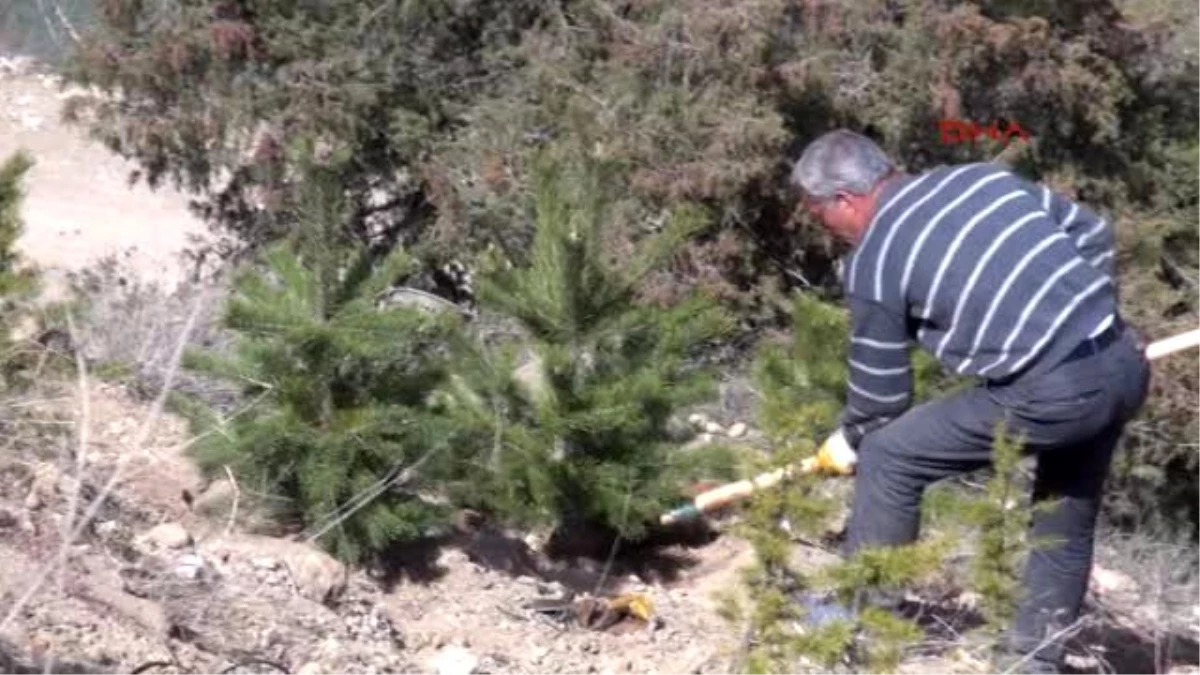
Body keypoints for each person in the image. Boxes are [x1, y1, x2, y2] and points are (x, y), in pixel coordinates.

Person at [790, 129, 1151, 672]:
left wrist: (850, 437)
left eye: (820, 216)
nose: (828, 231)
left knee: (889, 456)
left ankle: (858, 620)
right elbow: (1093, 233)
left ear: (844, 200)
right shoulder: (979, 179)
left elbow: (882, 396)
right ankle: (1034, 660)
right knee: (1064, 514)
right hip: (1123, 362)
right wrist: (1094, 317)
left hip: (1054, 391)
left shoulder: (877, 259)